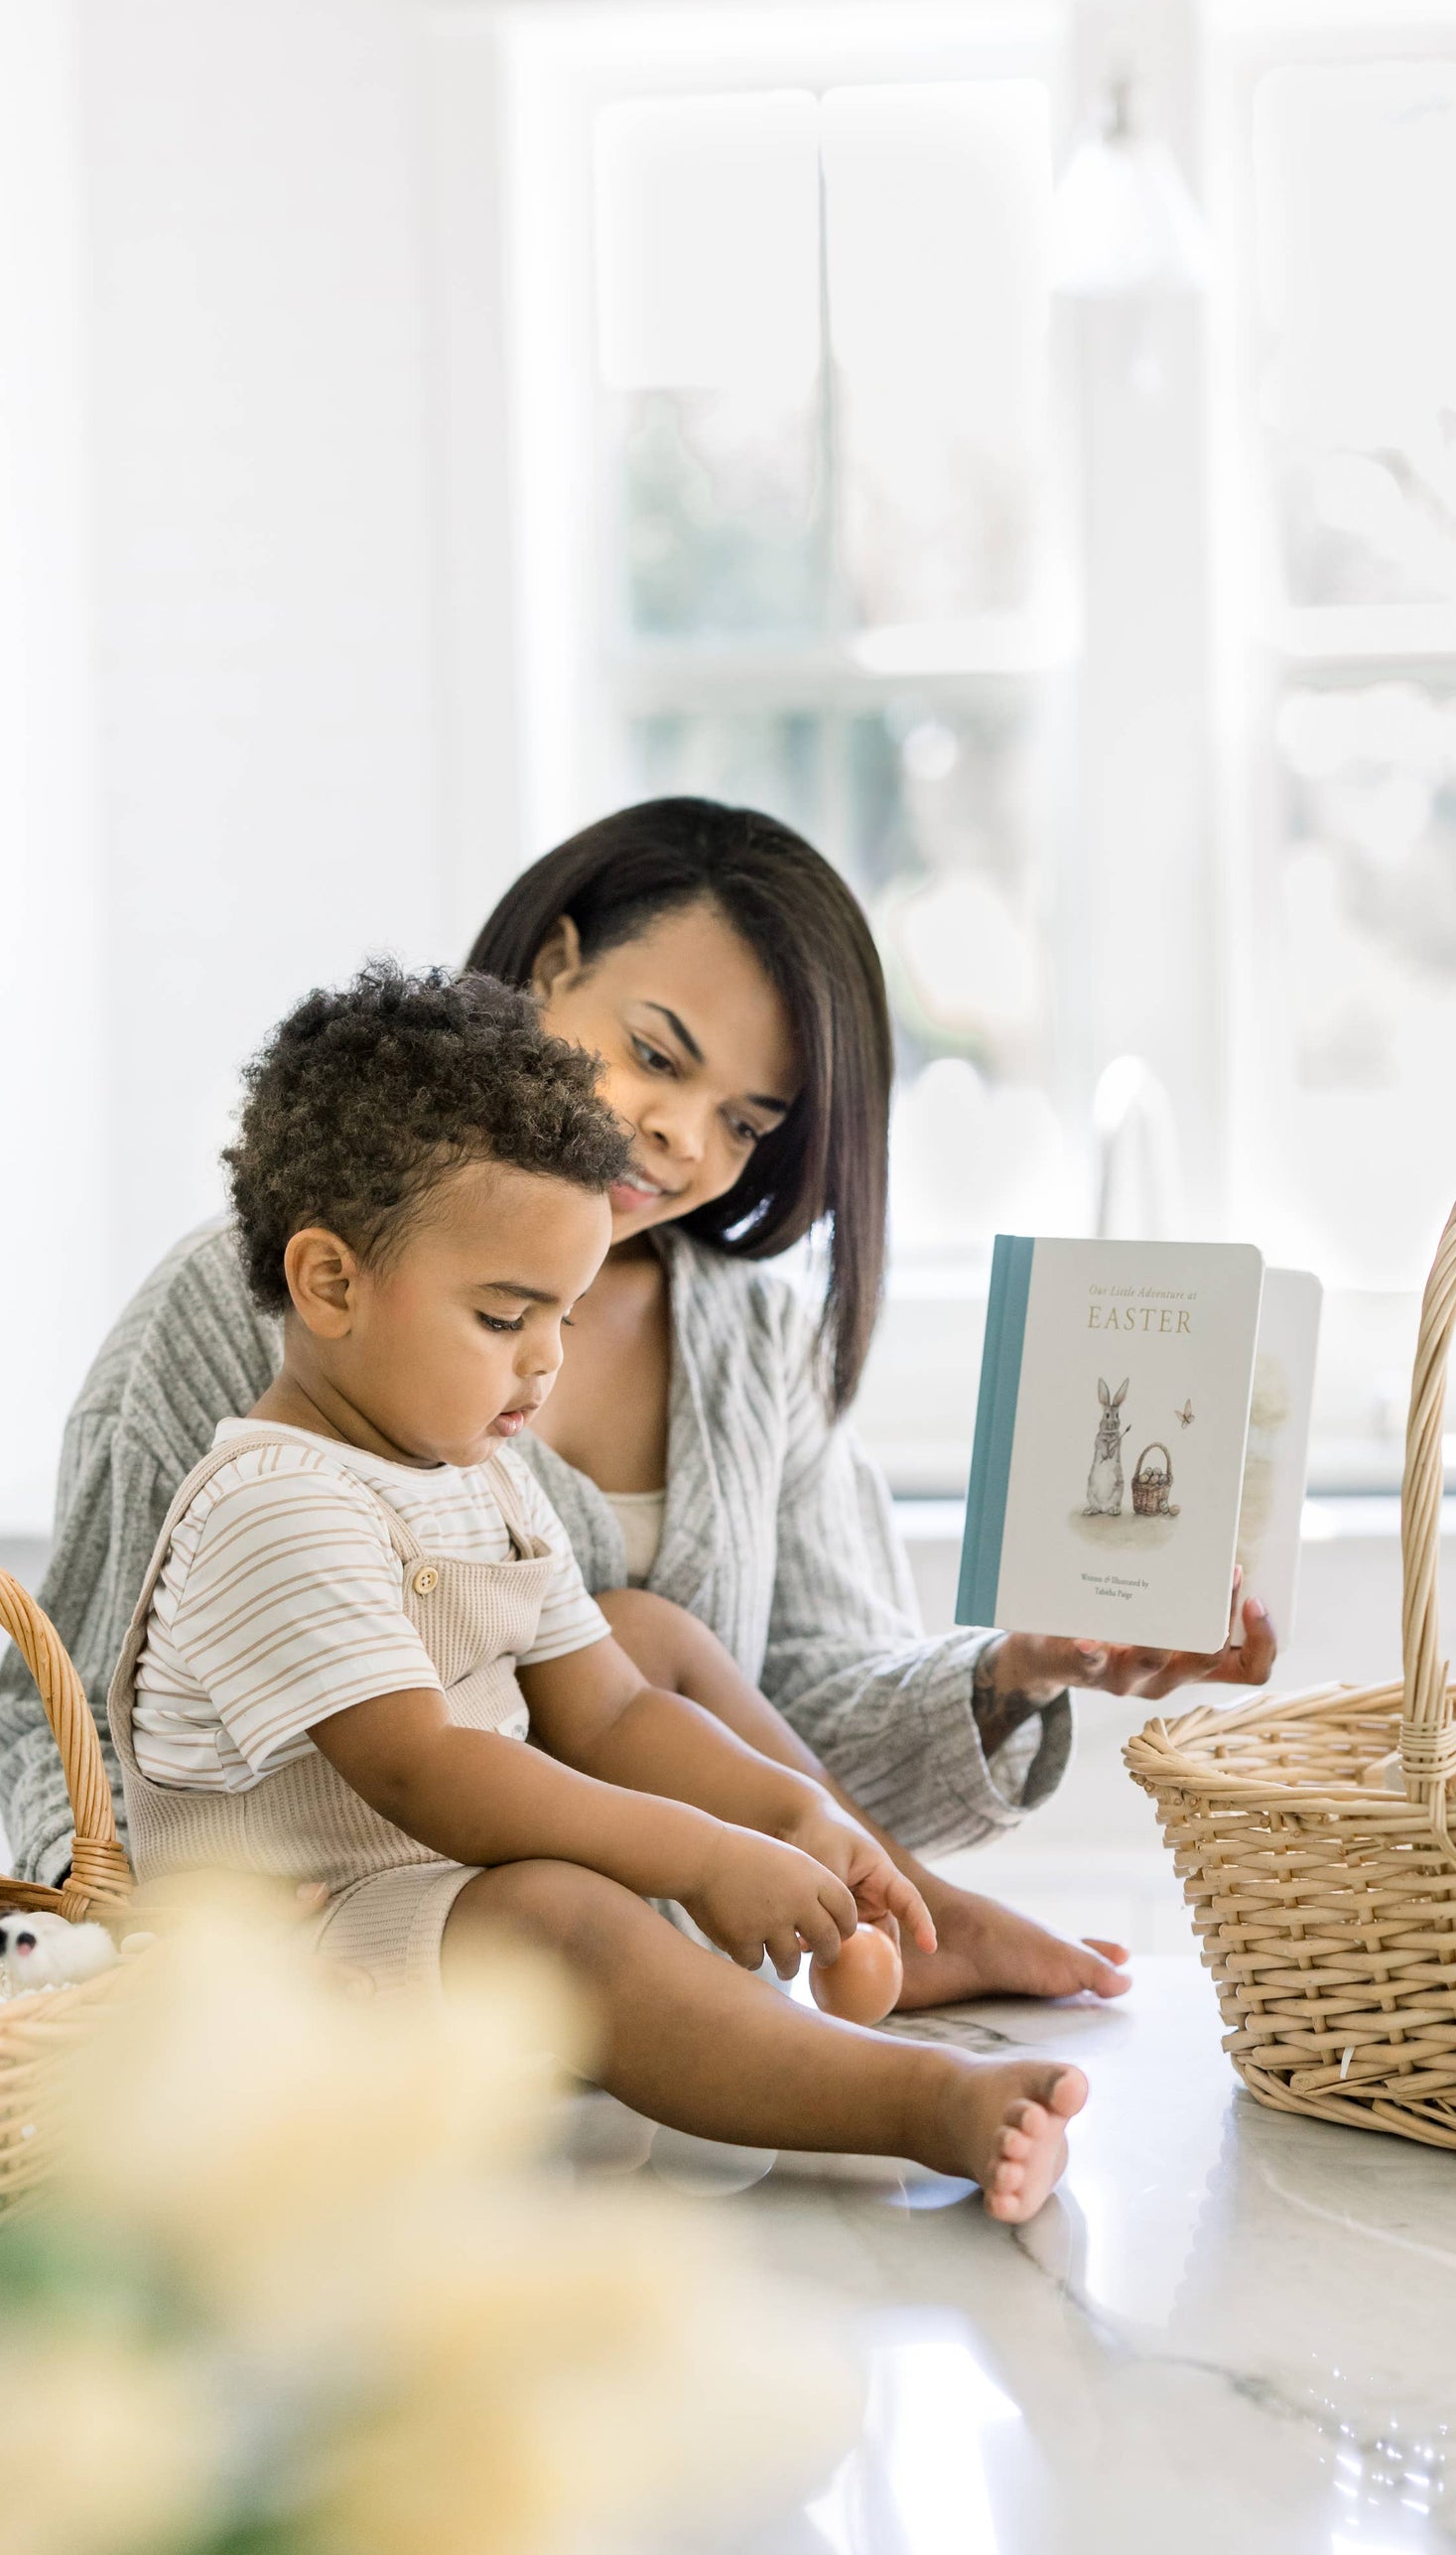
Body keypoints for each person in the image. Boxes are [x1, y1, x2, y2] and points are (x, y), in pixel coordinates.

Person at [2, 799, 1276, 1999]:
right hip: (389, 1944)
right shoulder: (252, 1305)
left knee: (635, 1638)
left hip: (685, 1986)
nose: (682, 1139)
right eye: (655, 1056)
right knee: (610, 1645)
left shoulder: (750, 1337)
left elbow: (796, 1713)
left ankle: (917, 1917)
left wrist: (1015, 1671)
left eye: (745, 1122)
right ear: (551, 966)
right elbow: (60, 1716)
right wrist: (134, 1915)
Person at [109, 966, 1085, 2221]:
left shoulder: (474, 1469)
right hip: (295, 1965)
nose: (545, 1362)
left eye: (562, 1318)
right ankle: (923, 2105)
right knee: (564, 1910)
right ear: (332, 1284)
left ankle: (747, 2036)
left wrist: (789, 1814)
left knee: (582, 1885)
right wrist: (701, 1852)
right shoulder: (277, 1502)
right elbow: (428, 1773)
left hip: (431, 1919)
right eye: (502, 1316)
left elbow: (614, 1709)